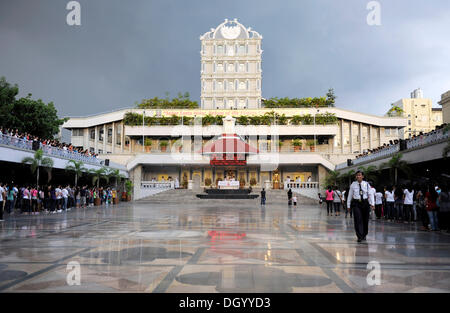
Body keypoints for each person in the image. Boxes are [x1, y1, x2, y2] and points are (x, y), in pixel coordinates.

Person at [347, 171, 375, 243]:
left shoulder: (366, 184)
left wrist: (372, 203)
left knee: (365, 220)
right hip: (356, 203)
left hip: (365, 203)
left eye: (359, 175)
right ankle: (359, 236)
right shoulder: (353, 185)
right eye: (357, 175)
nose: (358, 176)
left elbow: (371, 194)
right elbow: (350, 195)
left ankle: (364, 234)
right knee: (358, 219)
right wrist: (348, 205)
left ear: (363, 176)